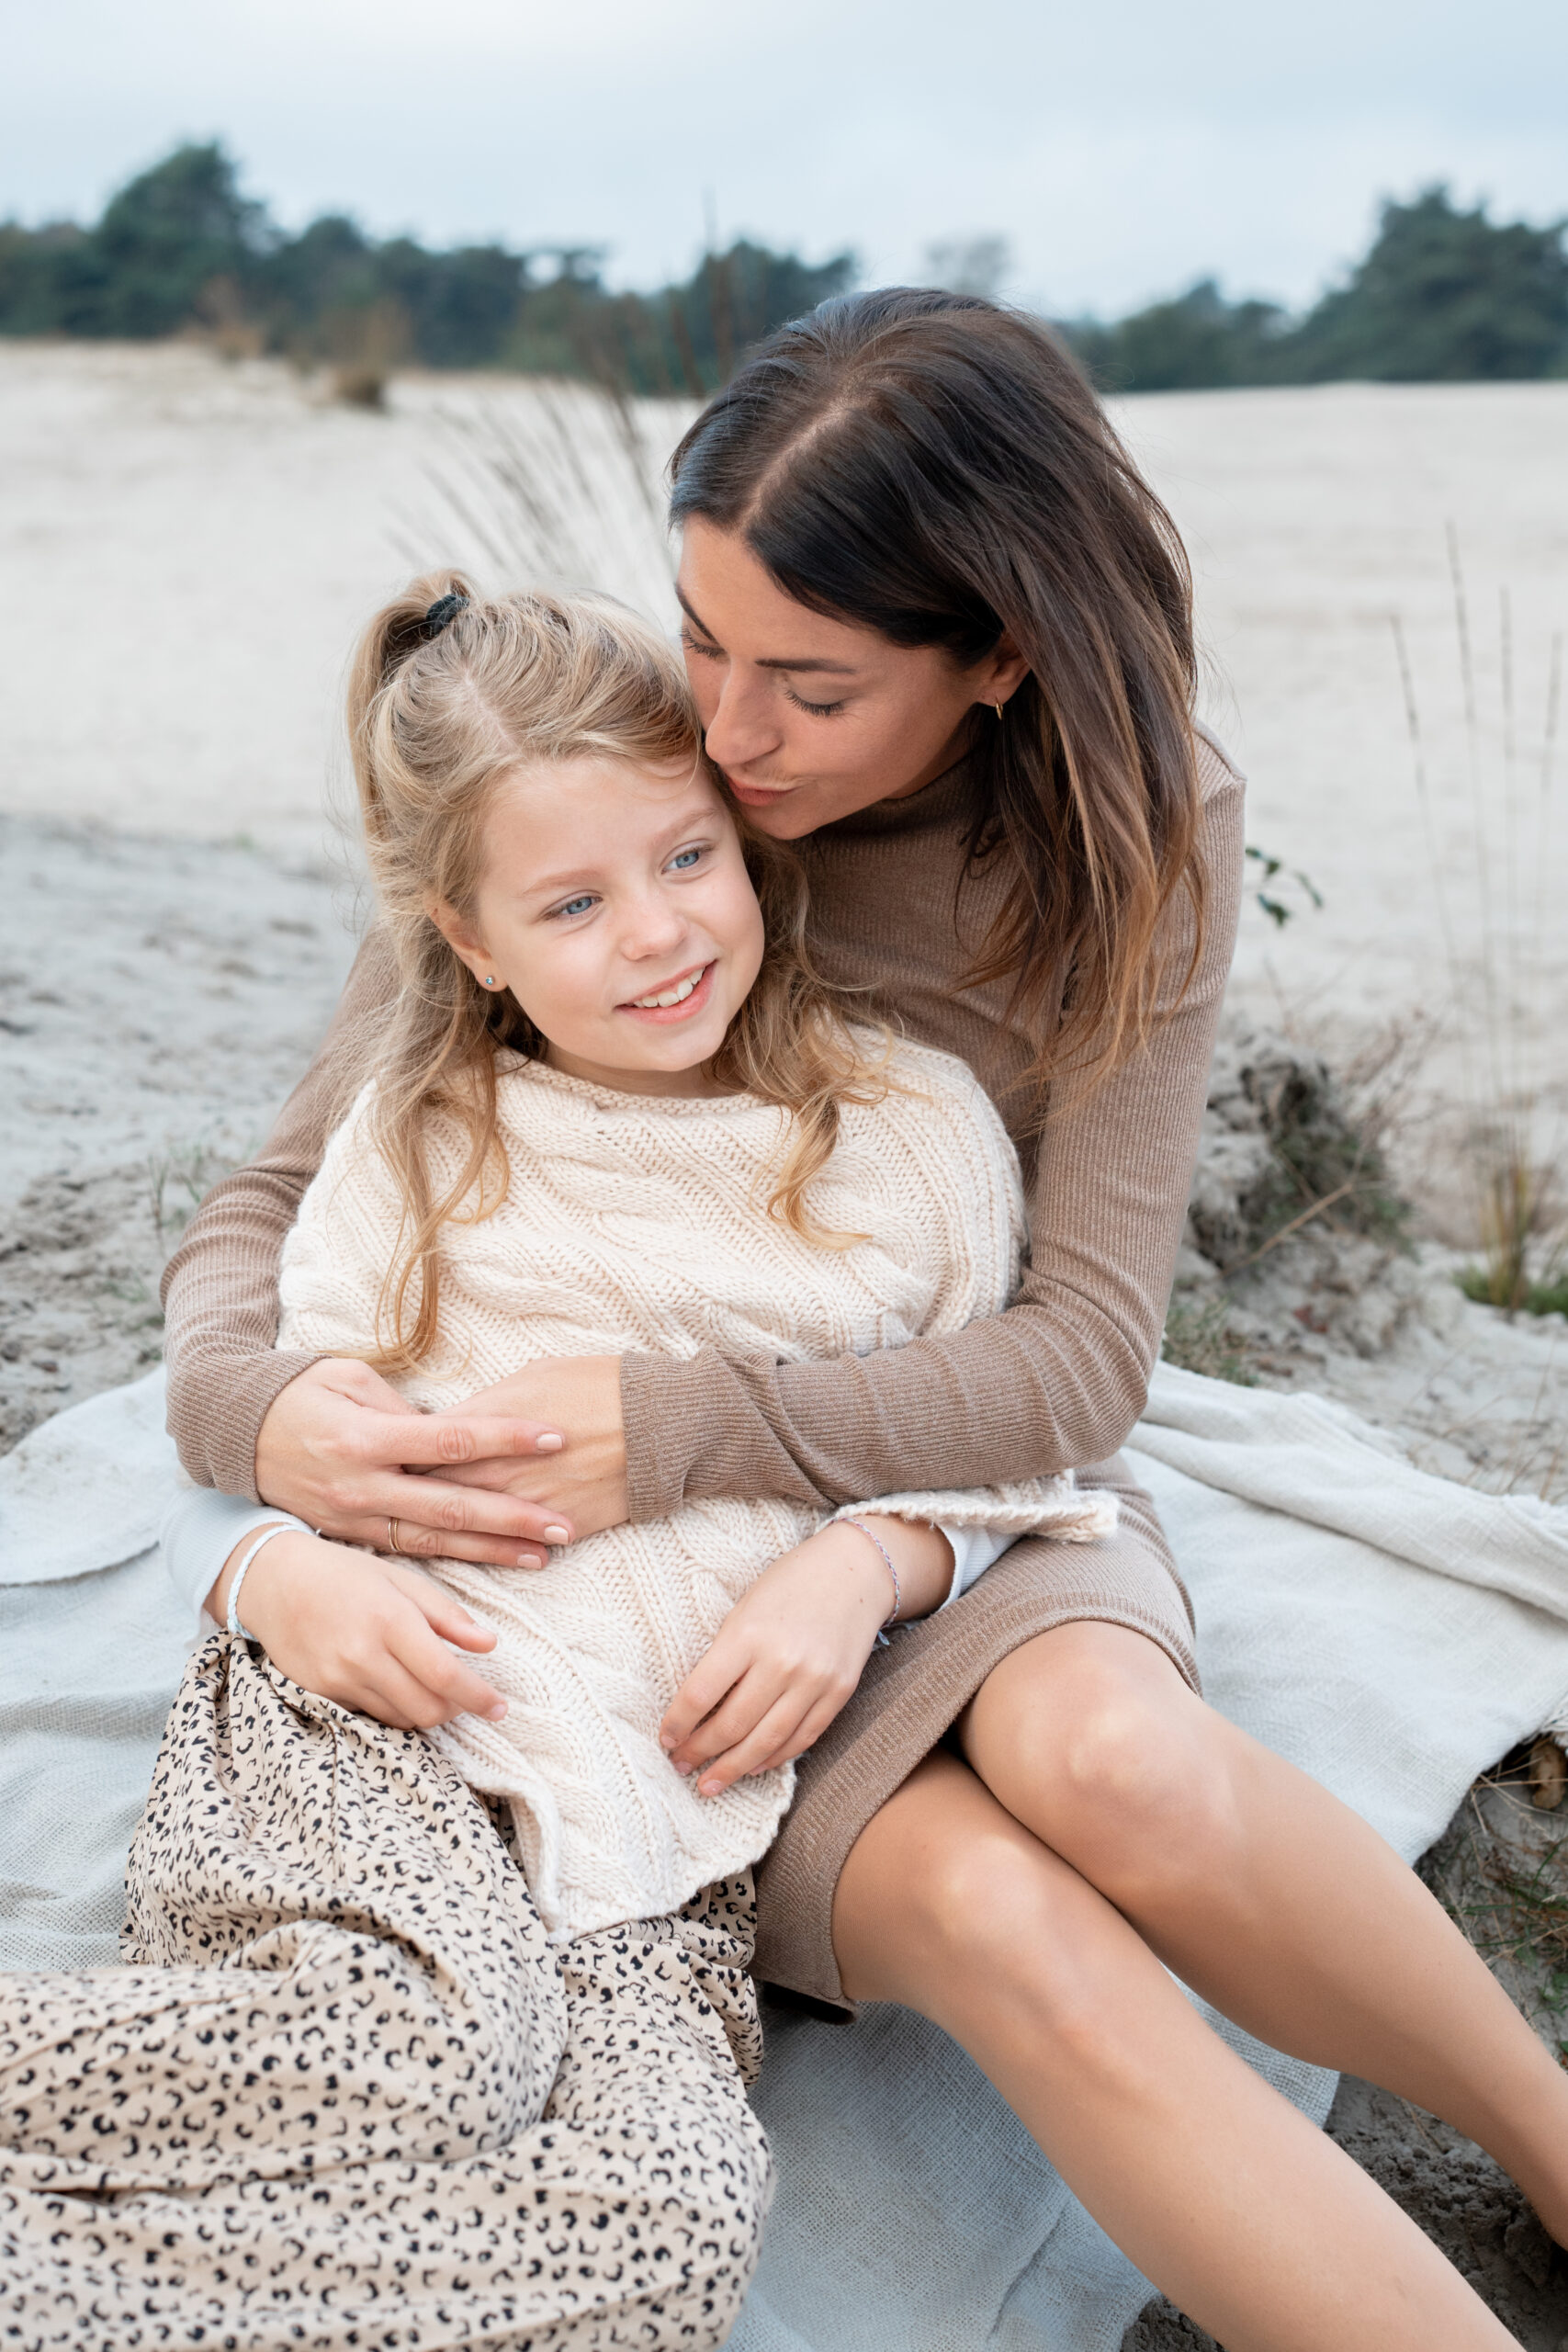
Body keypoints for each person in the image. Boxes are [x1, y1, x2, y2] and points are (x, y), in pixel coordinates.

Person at [157, 290, 1567, 2349]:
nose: (726, 735)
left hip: (954, 1480)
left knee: (1113, 1762)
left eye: (809, 688)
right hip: (641, 1608)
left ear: (1000, 654)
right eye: (700, 636)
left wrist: (785, 1489)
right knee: (1003, 1916)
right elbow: (277, 1199)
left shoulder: (1139, 825)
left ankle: (1550, 2140)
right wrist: (254, 1415)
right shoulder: (623, 771)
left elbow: (1082, 1351)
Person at [0, 574, 1099, 2352]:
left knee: (675, 2224)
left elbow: (1001, 1449)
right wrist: (283, 1575)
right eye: (573, 904)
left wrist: (876, 1560)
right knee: (420, 2053)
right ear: (473, 938)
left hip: (664, 1825)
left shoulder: (911, 1141)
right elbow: (263, 1452)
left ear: (746, 836)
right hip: (378, 1727)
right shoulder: (423, 1137)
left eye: (687, 858)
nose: (658, 934)